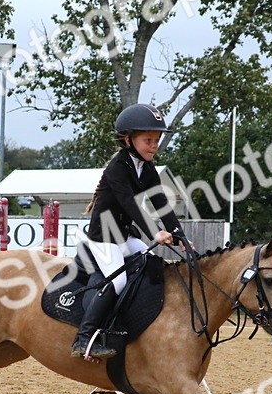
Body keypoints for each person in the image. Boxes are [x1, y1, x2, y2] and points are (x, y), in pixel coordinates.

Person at [72, 104, 188, 361]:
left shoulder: (146, 169)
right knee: (118, 281)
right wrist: (154, 233)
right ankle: (84, 338)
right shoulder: (118, 167)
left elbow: (161, 204)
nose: (154, 145)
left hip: (123, 236)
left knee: (151, 264)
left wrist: (180, 236)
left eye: (157, 140)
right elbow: (130, 204)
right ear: (128, 139)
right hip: (103, 237)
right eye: (148, 140)